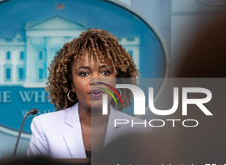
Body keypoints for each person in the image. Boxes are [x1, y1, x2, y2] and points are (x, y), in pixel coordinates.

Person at [27, 28, 151, 158]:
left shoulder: (140, 131)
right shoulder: (45, 127)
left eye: (105, 72)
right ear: (71, 83)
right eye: (84, 73)